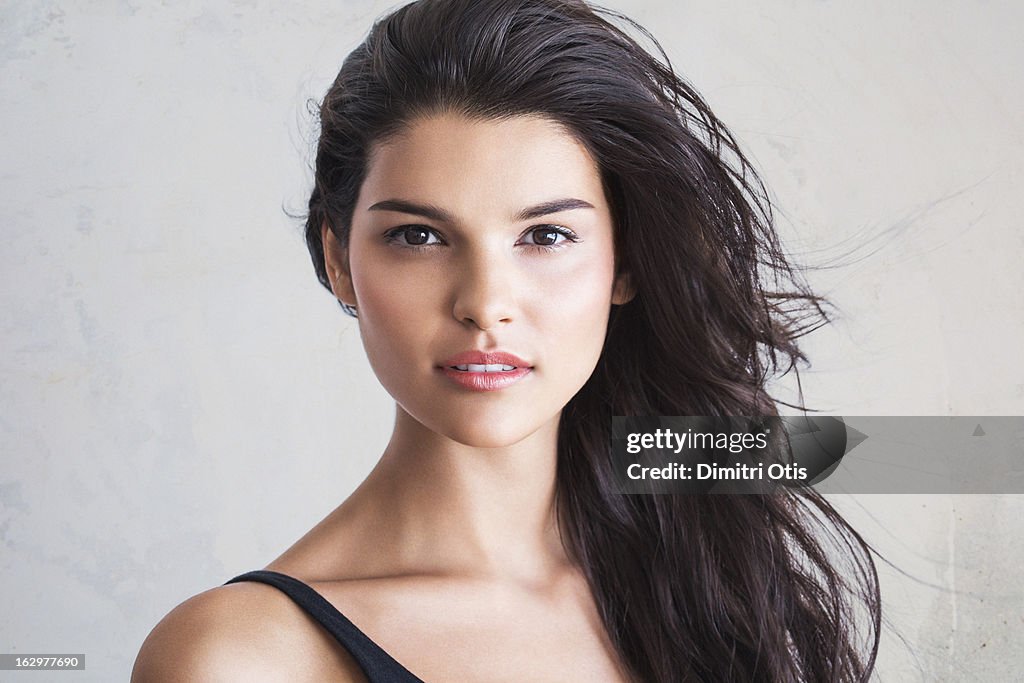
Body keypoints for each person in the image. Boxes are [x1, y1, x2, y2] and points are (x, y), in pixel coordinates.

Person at [132, 0, 881, 680]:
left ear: (624, 261)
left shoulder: (714, 584)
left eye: (546, 234)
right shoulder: (242, 658)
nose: (485, 304)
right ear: (339, 261)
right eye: (418, 235)